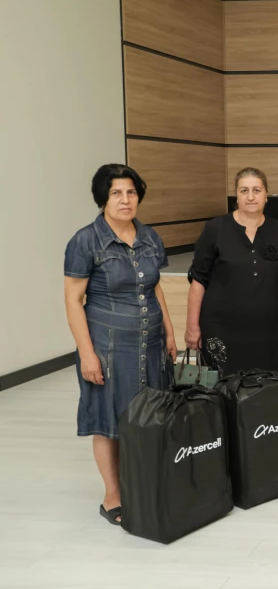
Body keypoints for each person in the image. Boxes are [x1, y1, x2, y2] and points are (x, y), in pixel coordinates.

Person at [64, 164, 178, 526]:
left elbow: (155, 287)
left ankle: (146, 484)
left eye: (131, 192)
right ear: (103, 198)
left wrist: (170, 332)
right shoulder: (86, 241)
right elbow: (73, 300)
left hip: (152, 342)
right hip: (109, 347)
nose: (125, 200)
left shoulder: (150, 237)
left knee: (151, 415)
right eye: (116, 193)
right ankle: (113, 495)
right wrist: (87, 354)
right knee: (110, 420)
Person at [186, 168, 278, 374]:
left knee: (268, 386)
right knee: (222, 387)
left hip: (268, 331)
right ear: (236, 196)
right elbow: (198, 280)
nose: (251, 197)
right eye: (244, 191)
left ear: (266, 195)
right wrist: (192, 326)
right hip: (221, 329)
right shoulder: (215, 229)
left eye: (257, 190)